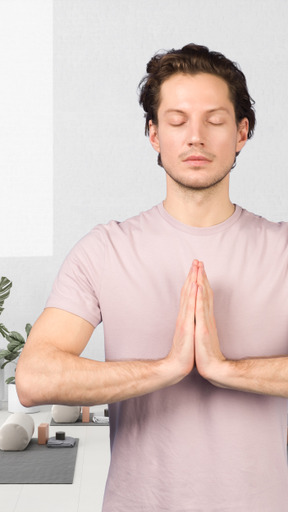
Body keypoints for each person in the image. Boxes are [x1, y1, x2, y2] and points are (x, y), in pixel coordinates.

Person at [16, 44, 288, 511]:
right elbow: (34, 377)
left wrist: (226, 369)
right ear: (154, 134)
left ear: (242, 133)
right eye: (177, 120)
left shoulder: (282, 250)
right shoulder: (106, 249)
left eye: (215, 120)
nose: (196, 137)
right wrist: (167, 368)